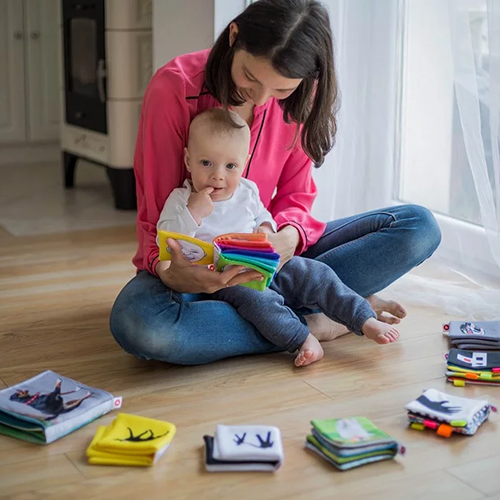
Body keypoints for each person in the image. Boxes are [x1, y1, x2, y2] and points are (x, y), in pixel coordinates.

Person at [110, 0, 441, 366]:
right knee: (141, 326)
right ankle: (321, 319)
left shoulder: (301, 94)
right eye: (250, 77)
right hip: (194, 274)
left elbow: (296, 196)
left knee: (418, 226)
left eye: (281, 90)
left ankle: (300, 312)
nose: (262, 98)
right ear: (234, 36)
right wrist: (173, 274)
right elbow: (156, 216)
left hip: (272, 262)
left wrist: (285, 238)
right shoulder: (174, 88)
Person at [158, 107, 400, 367]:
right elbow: (169, 240)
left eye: (230, 166)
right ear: (188, 161)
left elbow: (263, 214)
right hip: (227, 280)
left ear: (244, 163)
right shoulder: (181, 199)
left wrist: (265, 229)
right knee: (260, 302)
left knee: (315, 273)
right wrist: (193, 213)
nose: (218, 175)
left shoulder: (247, 191)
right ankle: (301, 337)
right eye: (206, 163)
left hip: (263, 263)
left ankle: (364, 318)